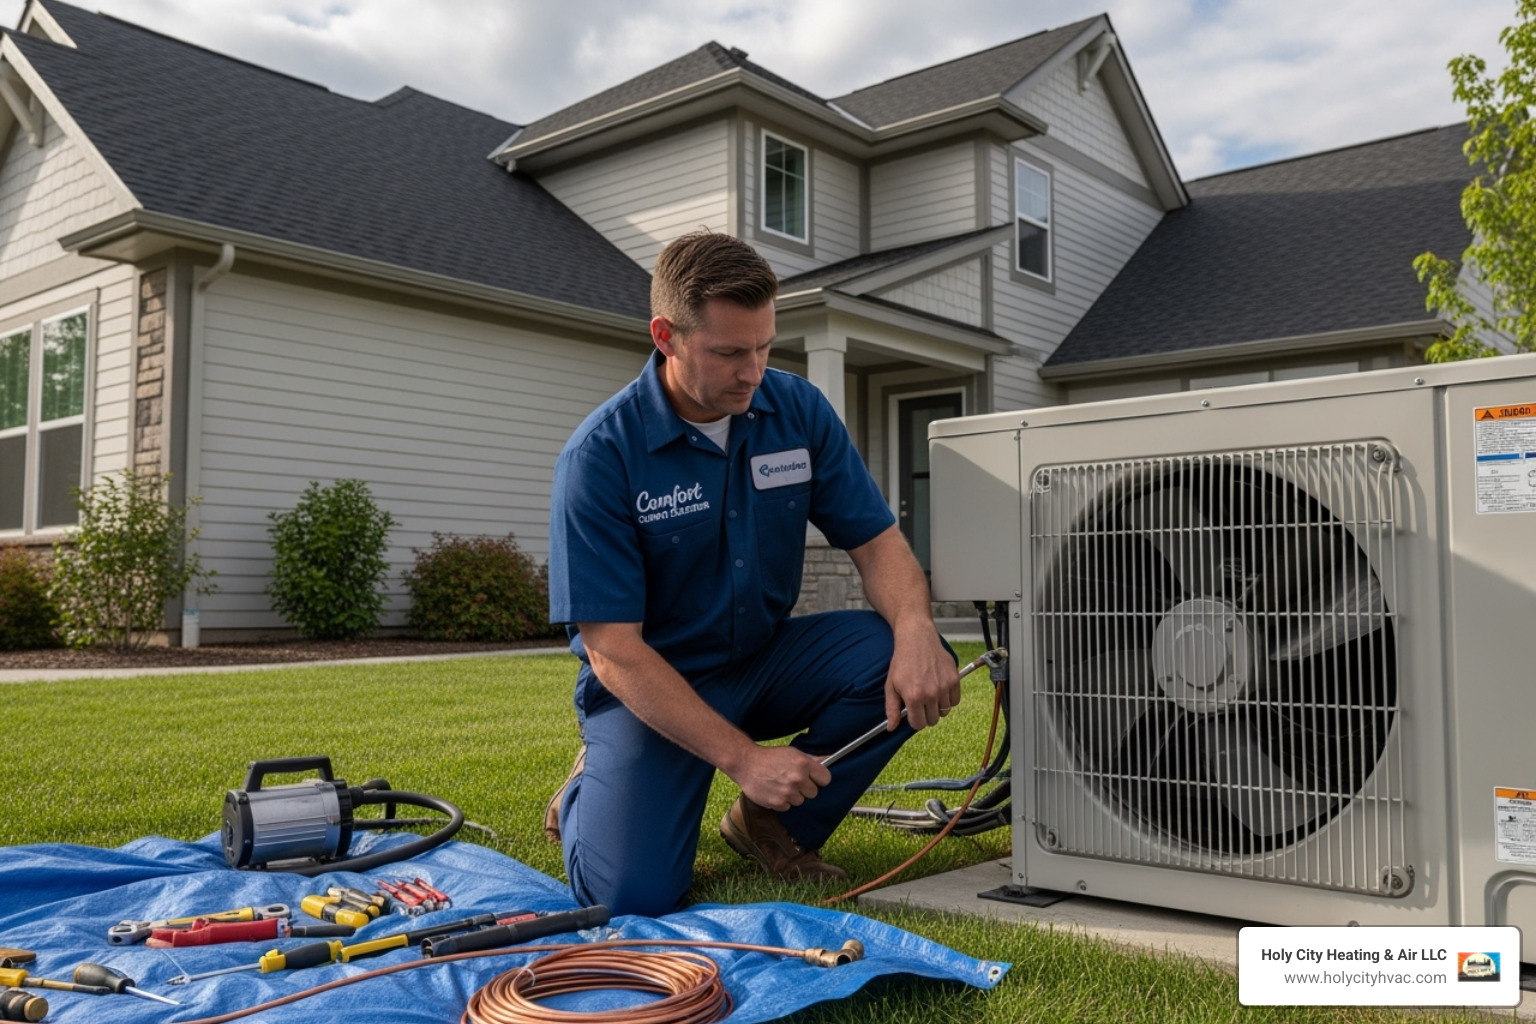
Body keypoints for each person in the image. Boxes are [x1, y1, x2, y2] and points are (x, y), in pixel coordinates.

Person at [545, 230, 959, 917]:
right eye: (731, 352)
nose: (754, 371)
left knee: (907, 656)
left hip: (764, 658)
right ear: (667, 336)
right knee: (632, 896)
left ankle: (773, 825)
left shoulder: (796, 411)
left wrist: (917, 628)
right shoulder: (600, 457)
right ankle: (593, 782)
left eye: (765, 346)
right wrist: (743, 759)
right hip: (656, 682)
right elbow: (613, 648)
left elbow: (879, 542)